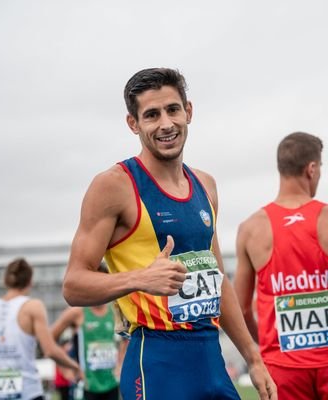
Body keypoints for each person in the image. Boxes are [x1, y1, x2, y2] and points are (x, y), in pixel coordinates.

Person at [61, 67, 276, 400]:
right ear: (133, 124)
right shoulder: (114, 186)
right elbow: (73, 284)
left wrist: (253, 356)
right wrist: (140, 279)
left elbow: (219, 280)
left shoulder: (206, 185)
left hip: (210, 358)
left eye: (173, 109)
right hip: (156, 361)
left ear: (188, 112)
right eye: (151, 115)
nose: (165, 124)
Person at [234, 131, 328, 400]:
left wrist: (265, 345)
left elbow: (241, 308)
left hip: (281, 365)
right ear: (311, 169)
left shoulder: (251, 228)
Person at [0, 258, 82, 400]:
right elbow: (49, 350)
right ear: (30, 281)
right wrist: (75, 367)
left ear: (6, 280)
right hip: (27, 391)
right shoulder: (33, 307)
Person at [51, 303, 124, 400]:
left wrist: (120, 364)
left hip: (112, 383)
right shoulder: (77, 312)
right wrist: (65, 369)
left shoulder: (115, 310)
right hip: (87, 384)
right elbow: (50, 338)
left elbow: (126, 339)